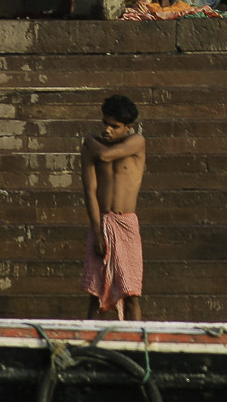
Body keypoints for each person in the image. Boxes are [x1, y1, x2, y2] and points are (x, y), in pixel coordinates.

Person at [81, 94, 147, 321]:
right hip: (100, 222)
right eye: (105, 124)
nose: (107, 130)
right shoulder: (91, 148)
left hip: (126, 224)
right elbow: (90, 191)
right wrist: (98, 232)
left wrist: (89, 140)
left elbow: (106, 155)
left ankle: (137, 350)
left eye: (114, 126)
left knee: (131, 293)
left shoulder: (136, 142)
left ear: (127, 128)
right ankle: (89, 348)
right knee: (94, 292)